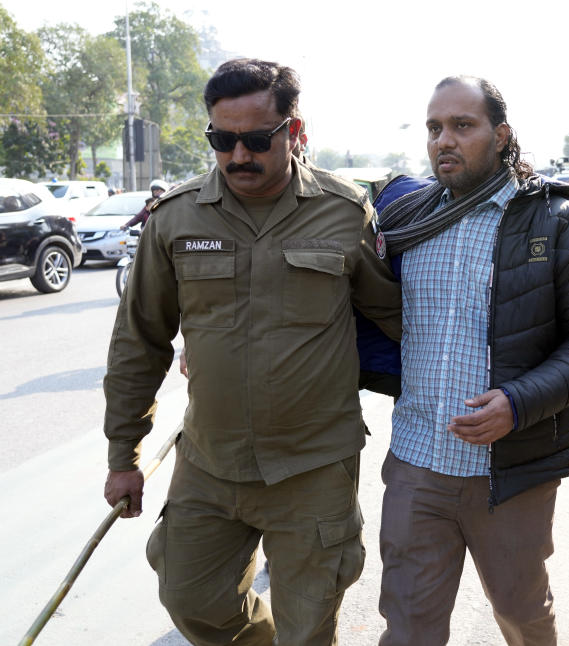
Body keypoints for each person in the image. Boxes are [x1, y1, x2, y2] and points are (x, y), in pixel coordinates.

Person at [102, 58, 401, 646]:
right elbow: (139, 339)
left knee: (308, 627)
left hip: (313, 467)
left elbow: (394, 316)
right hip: (210, 465)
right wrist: (122, 454)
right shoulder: (176, 219)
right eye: (223, 140)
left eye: (257, 140)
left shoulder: (344, 213)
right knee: (190, 597)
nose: (239, 156)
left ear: (293, 130)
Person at [375, 76, 569, 646]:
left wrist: (517, 402)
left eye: (463, 126)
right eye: (435, 127)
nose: (444, 140)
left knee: (521, 615)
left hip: (510, 472)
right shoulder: (404, 222)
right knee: (408, 628)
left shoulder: (554, 224)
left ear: (501, 134)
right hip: (417, 464)